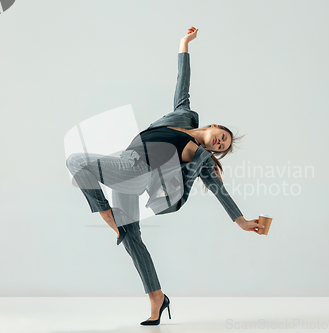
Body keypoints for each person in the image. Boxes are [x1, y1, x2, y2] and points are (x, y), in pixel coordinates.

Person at [66, 26, 265, 326]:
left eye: (222, 146)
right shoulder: (183, 114)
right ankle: (157, 298)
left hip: (138, 175)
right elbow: (182, 83)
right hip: (125, 162)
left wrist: (242, 221)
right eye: (221, 136)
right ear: (212, 126)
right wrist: (184, 43)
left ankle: (105, 212)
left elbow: (221, 193)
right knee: (132, 238)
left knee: (77, 160)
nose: (219, 142)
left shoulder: (201, 158)